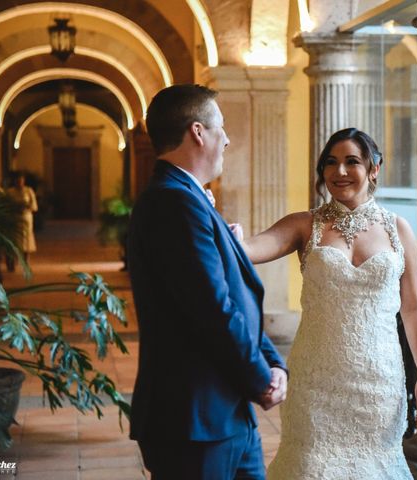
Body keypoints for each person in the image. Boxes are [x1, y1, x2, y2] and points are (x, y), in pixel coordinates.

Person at [236, 128, 417, 478]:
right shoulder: (305, 224)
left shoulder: (398, 230)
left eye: (351, 162)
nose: (339, 171)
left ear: (374, 169)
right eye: (331, 162)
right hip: (316, 380)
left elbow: (414, 307)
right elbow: (251, 249)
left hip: (379, 383)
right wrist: (225, 232)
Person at [127, 84, 288, 480]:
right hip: (194, 418)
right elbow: (212, 308)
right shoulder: (173, 202)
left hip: (227, 411)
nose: (228, 139)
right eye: (222, 128)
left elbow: (236, 296)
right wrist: (260, 378)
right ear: (198, 132)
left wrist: (271, 361)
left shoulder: (190, 197)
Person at [6, 173, 38, 269]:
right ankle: (12, 260)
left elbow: (34, 206)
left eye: (21, 180)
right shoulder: (10, 192)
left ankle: (26, 260)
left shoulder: (28, 191)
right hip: (14, 218)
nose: (19, 182)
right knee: (15, 240)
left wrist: (26, 207)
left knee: (26, 239)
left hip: (25, 217)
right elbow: (6, 205)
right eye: (17, 181)